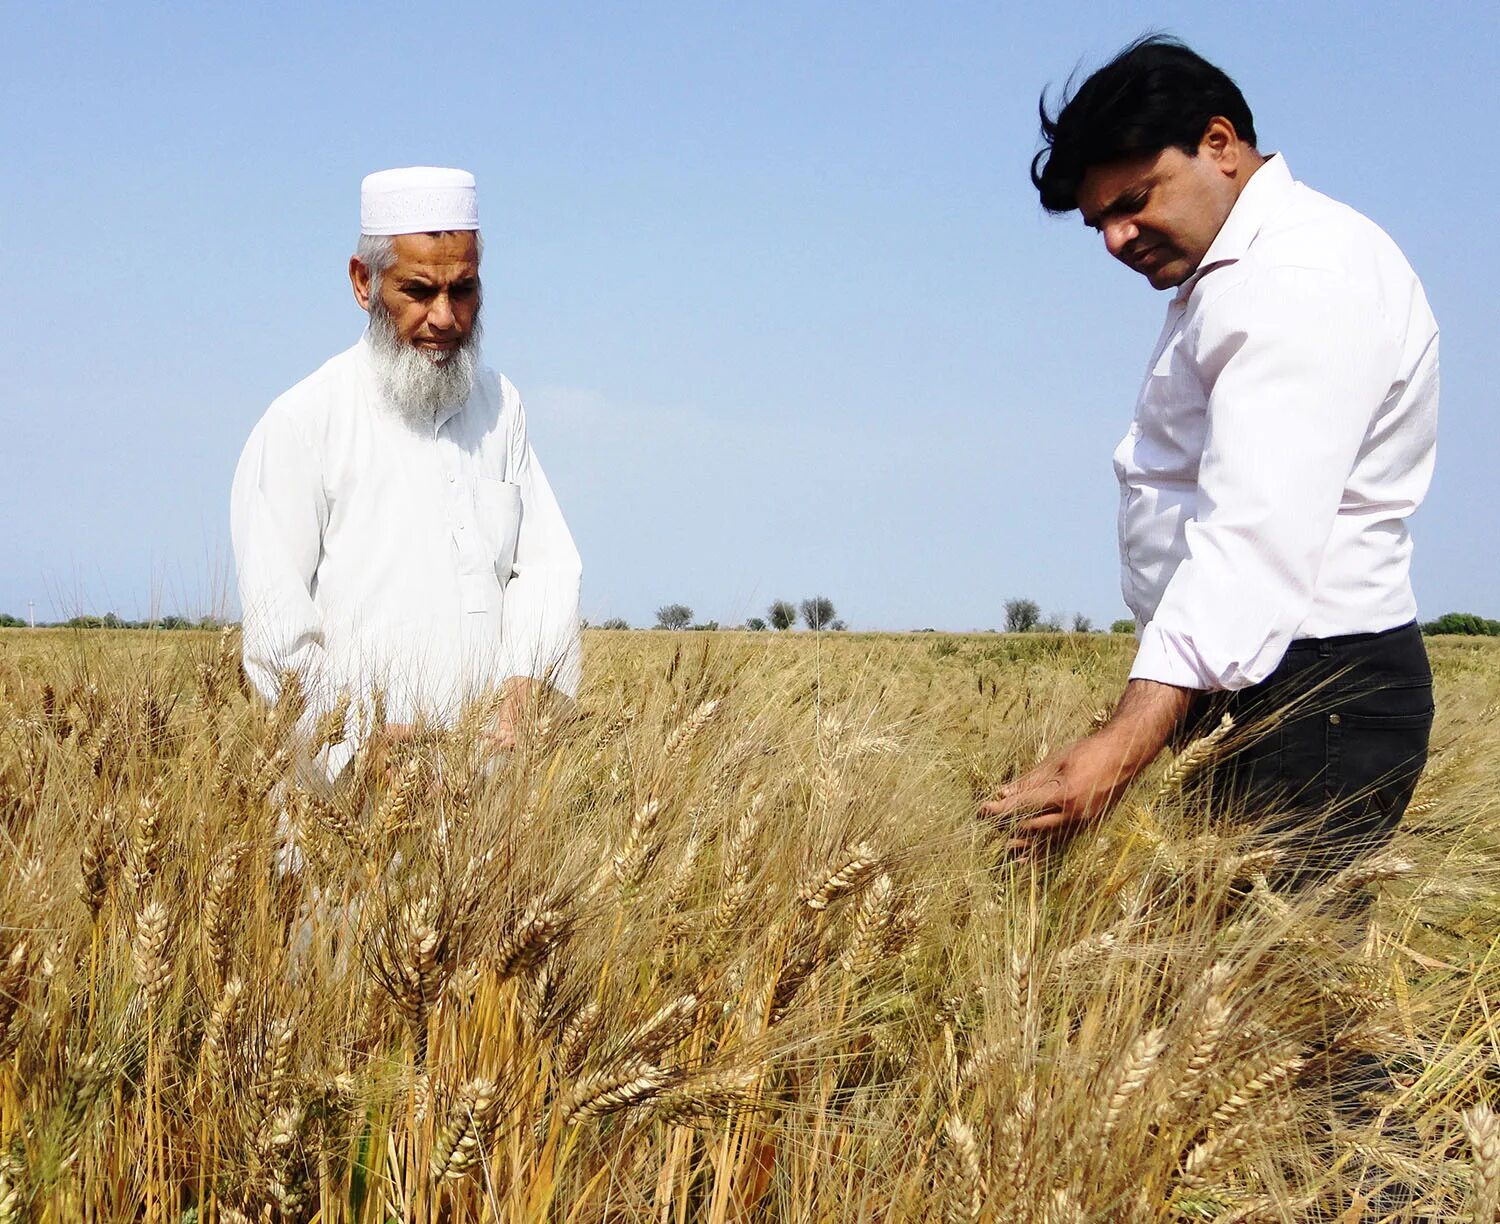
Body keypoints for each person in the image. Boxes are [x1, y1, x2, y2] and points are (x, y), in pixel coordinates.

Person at [981, 37, 1438, 884]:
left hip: (1312, 694)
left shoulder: (1297, 277)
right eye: (1099, 223)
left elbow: (1250, 544)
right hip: (1269, 686)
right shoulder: (1245, 269)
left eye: (1135, 200)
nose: (1117, 238)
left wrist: (1120, 748)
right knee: (1234, 988)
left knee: (1269, 1001)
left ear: (1220, 145)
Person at [232, 166, 582, 779]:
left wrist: (527, 680)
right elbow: (276, 633)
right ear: (363, 283)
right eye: (419, 292)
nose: (445, 317)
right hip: (346, 815)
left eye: (464, 289)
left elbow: (547, 568)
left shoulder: (502, 408)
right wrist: (354, 742)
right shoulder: (303, 422)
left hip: (487, 807)